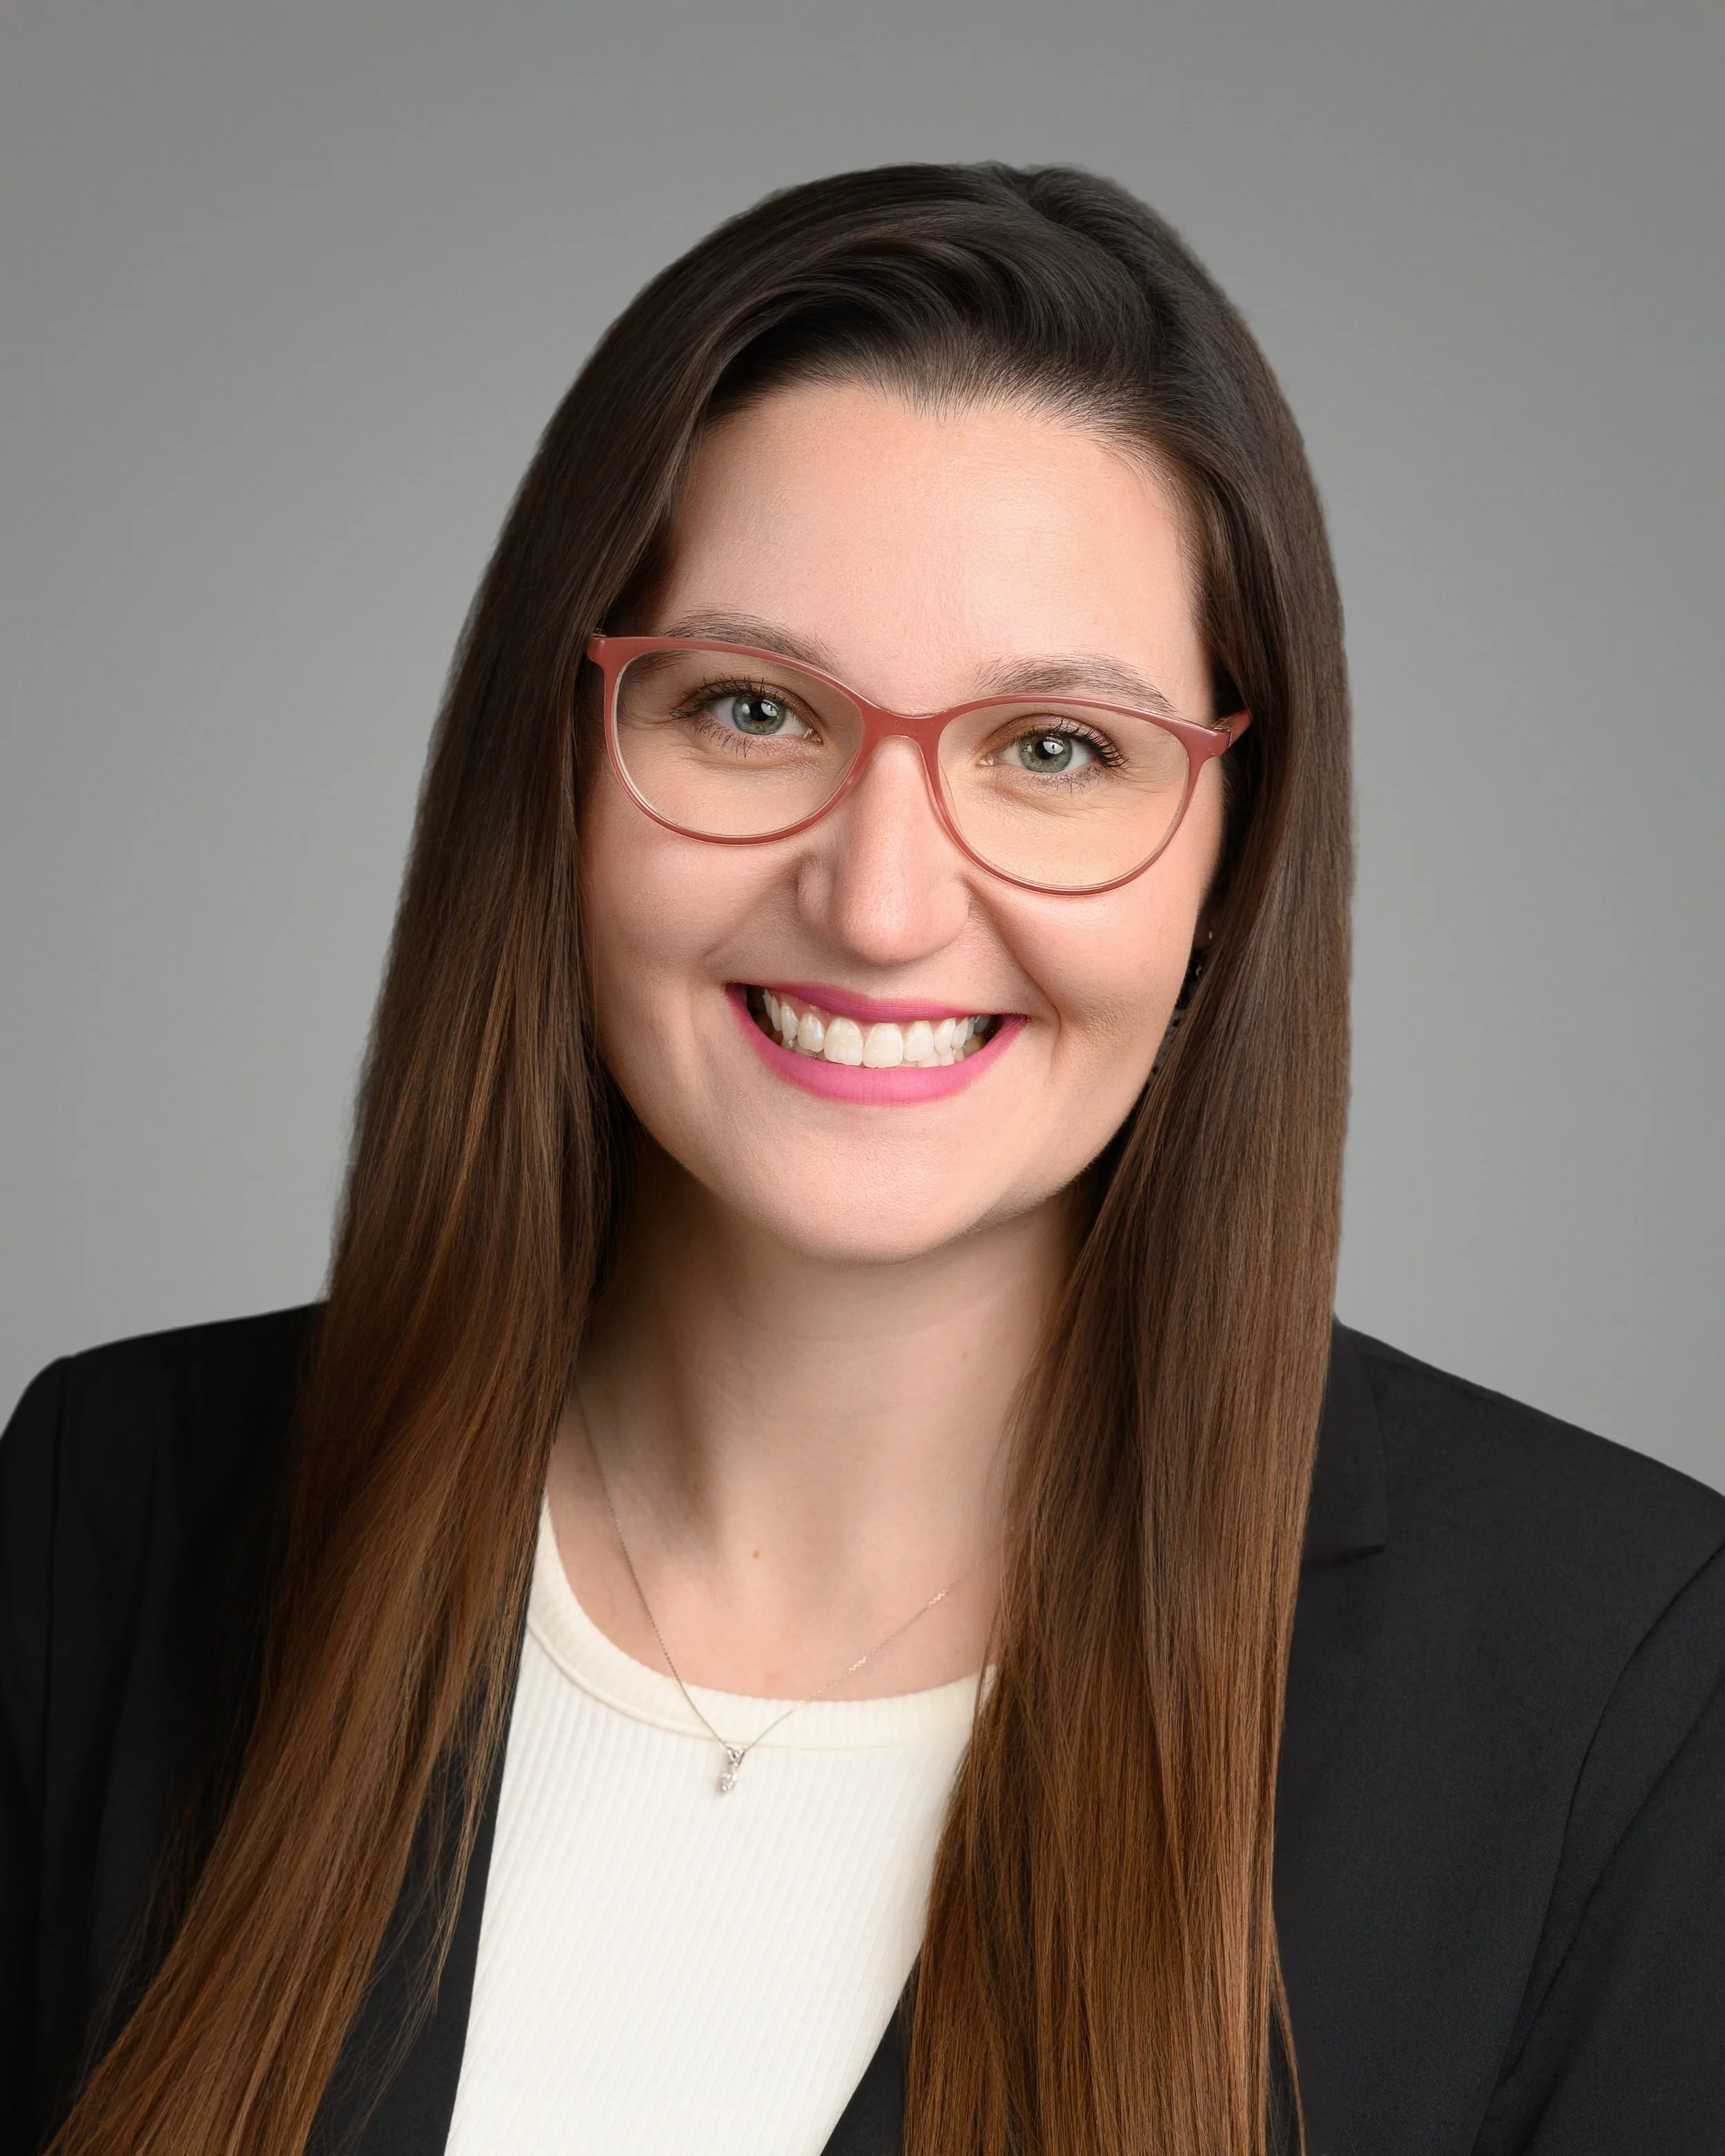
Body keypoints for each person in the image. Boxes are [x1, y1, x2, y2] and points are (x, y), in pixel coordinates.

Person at [3, 162, 1722, 2156]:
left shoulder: (1614, 1683)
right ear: (554, 766)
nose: (884, 901)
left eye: (1055, 748)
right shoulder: (102, 1518)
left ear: (1234, 848)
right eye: (751, 708)